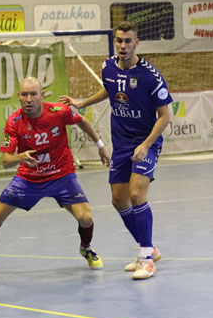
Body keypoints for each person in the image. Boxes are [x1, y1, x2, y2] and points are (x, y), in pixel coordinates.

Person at [0, 76, 110, 277]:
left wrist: (100, 146)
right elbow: (6, 161)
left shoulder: (59, 112)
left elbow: (81, 121)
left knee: (86, 218)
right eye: (24, 94)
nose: (29, 99)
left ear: (42, 95)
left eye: (33, 94)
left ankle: (86, 248)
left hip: (62, 176)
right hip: (29, 179)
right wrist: (20, 157)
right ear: (18, 97)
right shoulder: (14, 122)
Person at [60, 21, 172, 280]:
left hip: (146, 143)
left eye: (128, 41)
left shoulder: (150, 75)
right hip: (121, 144)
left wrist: (146, 144)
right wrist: (82, 102)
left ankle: (146, 258)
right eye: (119, 41)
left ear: (137, 43)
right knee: (119, 200)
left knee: (136, 193)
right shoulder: (108, 66)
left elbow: (165, 116)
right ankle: (150, 248)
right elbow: (109, 89)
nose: (123, 46)